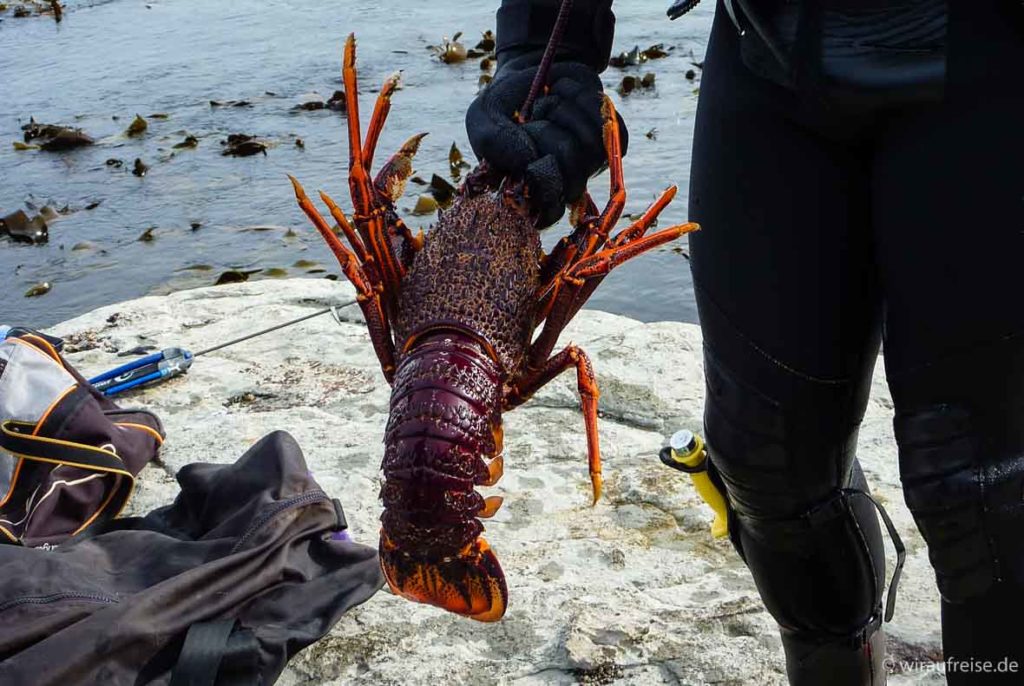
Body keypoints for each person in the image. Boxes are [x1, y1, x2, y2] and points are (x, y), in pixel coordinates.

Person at [464, 1, 1024, 684]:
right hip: (767, 48)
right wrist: (545, 49)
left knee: (981, 493)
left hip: (992, 63)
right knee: (769, 466)